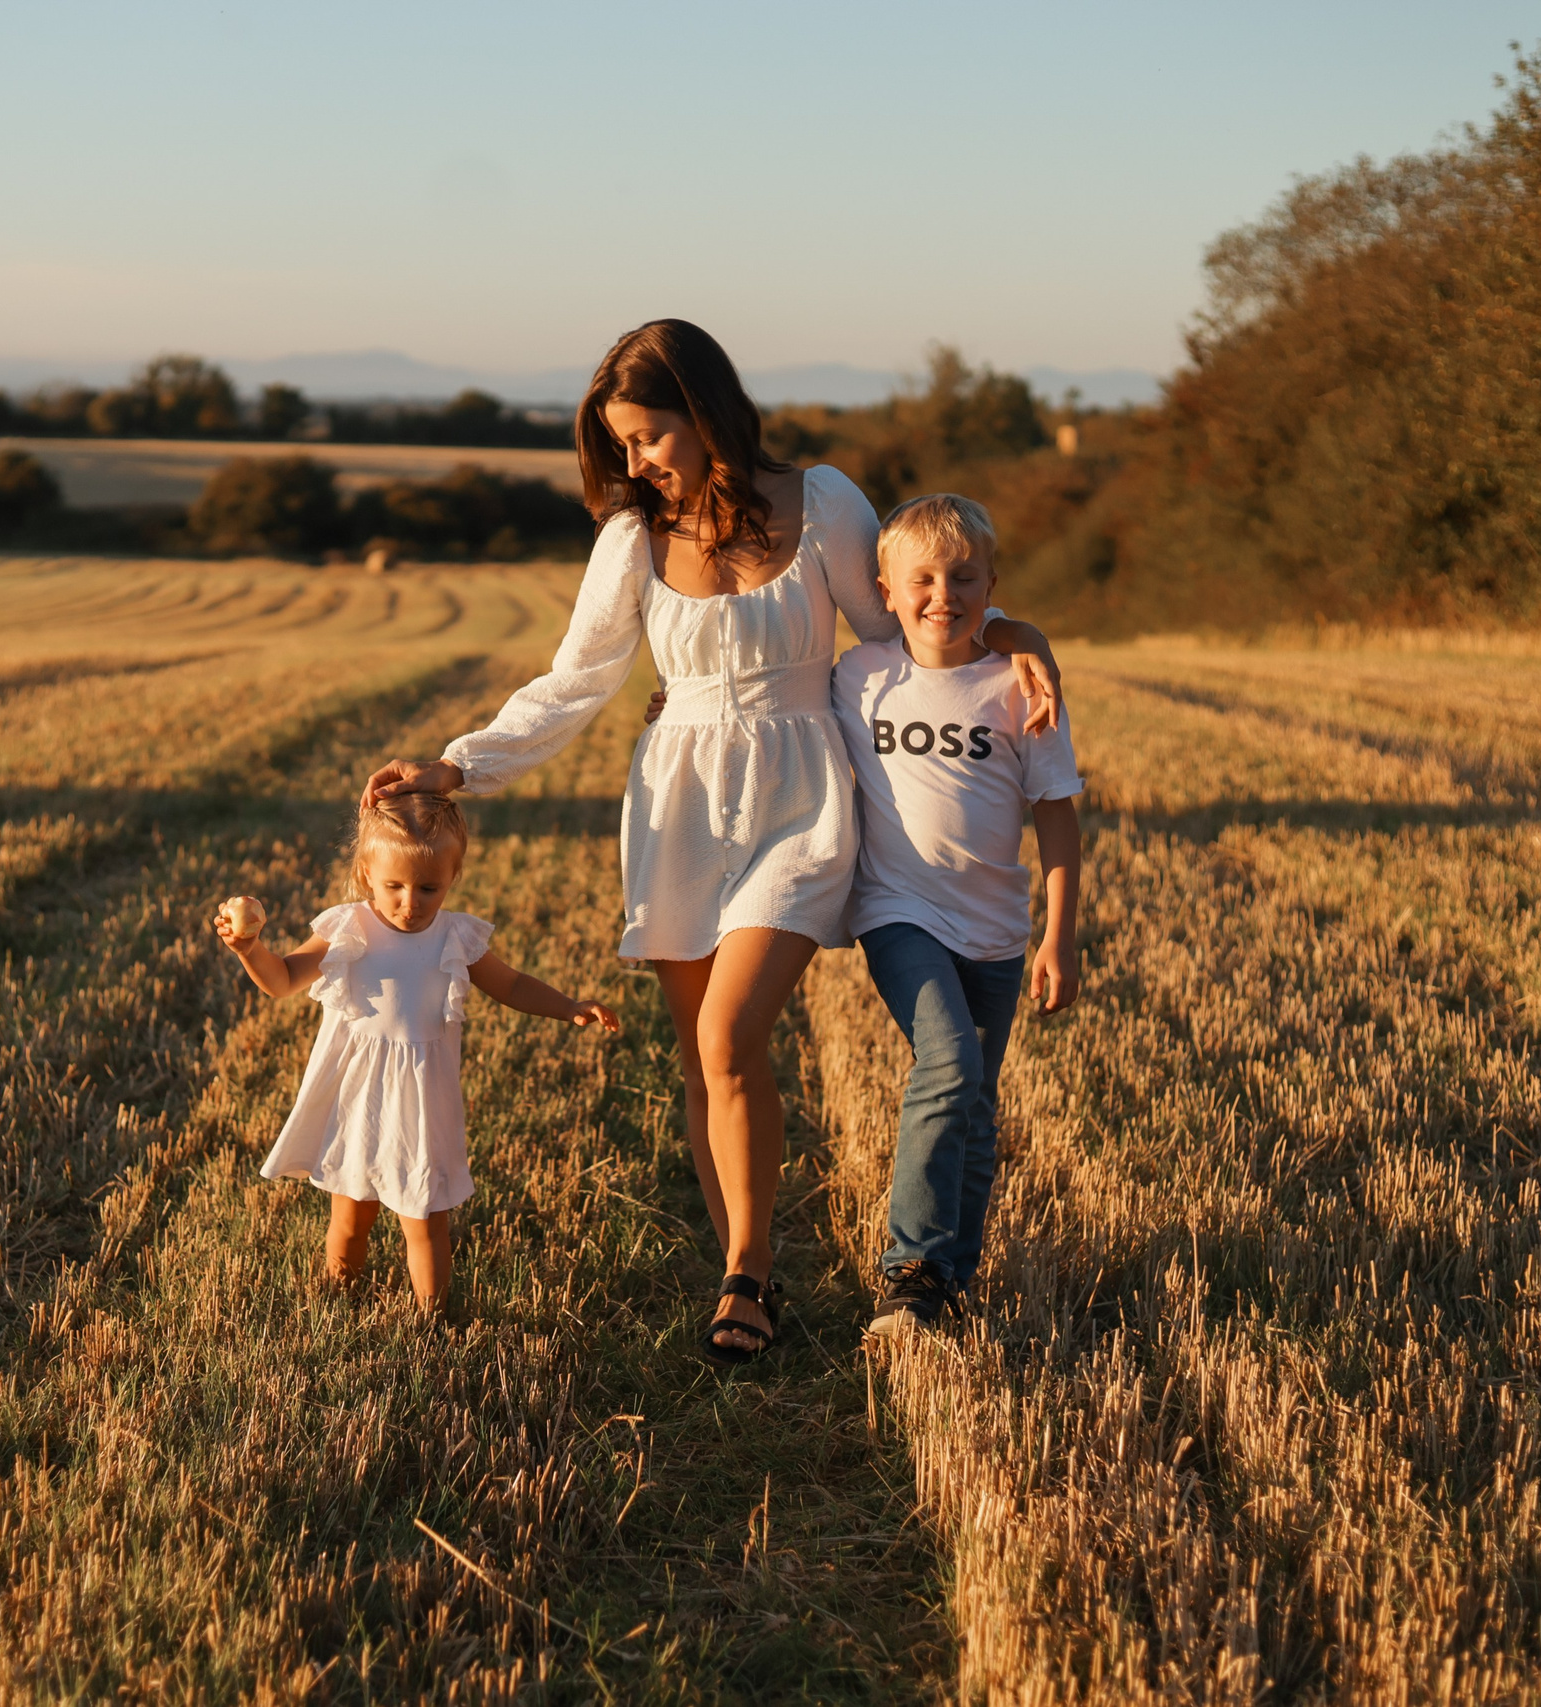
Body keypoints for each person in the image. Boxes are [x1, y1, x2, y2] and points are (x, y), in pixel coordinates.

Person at [362, 319, 1062, 1362]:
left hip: (799, 795)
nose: (636, 463)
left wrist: (1010, 633)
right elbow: (575, 682)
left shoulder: (820, 500)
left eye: (648, 437)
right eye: (622, 446)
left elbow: (905, 630)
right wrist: (459, 764)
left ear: (704, 411)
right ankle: (749, 1273)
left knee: (732, 1035)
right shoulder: (630, 541)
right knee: (702, 1060)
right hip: (678, 802)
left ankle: (748, 1274)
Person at [829, 495, 1082, 1337]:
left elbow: (1057, 815)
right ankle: (912, 1265)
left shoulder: (1020, 684)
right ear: (886, 591)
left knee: (976, 1099)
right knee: (947, 1063)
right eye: (923, 580)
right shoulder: (860, 676)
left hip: (999, 928)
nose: (944, 594)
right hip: (897, 910)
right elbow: (776, 720)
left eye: (964, 577)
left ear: (991, 585)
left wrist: (1059, 934)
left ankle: (950, 1280)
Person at [217, 792, 620, 1309]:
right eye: (394, 887)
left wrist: (568, 1006)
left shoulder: (457, 937)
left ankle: (432, 1321)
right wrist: (250, 950)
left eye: (428, 887)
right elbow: (282, 980)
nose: (411, 902)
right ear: (366, 875)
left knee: (426, 1221)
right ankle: (339, 1302)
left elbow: (513, 987)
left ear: (453, 876)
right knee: (350, 1217)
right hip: (356, 1099)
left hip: (423, 1104)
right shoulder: (347, 928)